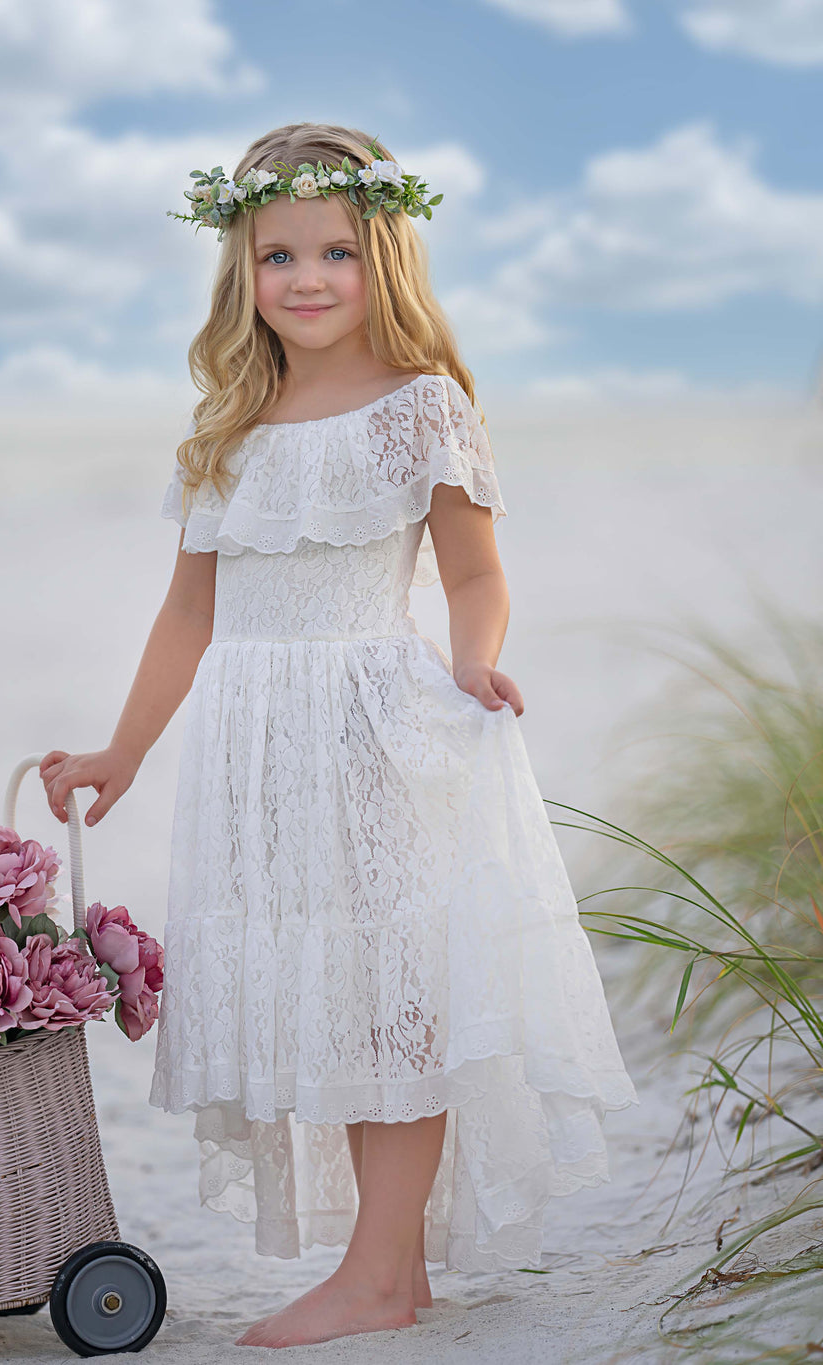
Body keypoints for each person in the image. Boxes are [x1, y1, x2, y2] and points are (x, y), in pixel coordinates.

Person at [39, 122, 639, 1350]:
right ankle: (392, 1272)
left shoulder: (421, 409)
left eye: (334, 252)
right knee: (339, 1003)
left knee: (393, 1003)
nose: (306, 279)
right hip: (257, 754)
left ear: (386, 256)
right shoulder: (228, 424)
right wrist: (123, 751)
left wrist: (473, 662)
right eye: (277, 256)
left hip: (376, 731)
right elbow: (188, 612)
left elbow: (476, 576)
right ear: (239, 270)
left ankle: (373, 1277)